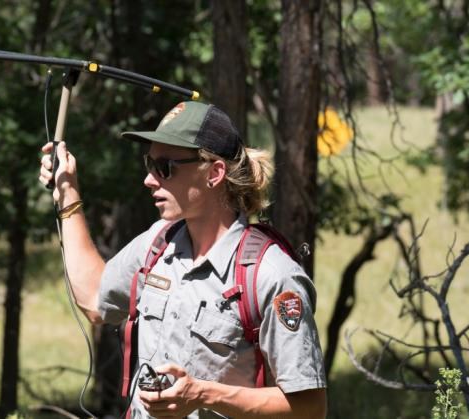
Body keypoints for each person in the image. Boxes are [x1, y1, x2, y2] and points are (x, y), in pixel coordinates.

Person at [38, 101, 327, 418]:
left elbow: (310, 408)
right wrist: (69, 195)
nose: (149, 179)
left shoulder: (271, 275)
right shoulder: (158, 242)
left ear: (214, 173)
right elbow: (95, 299)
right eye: (149, 164)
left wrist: (204, 394)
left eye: (165, 168)